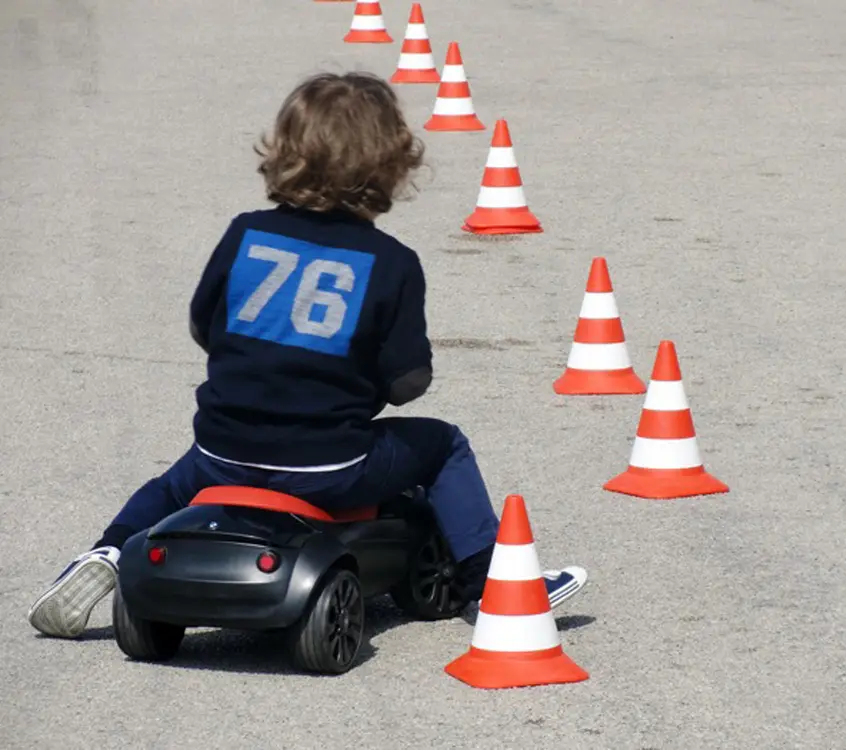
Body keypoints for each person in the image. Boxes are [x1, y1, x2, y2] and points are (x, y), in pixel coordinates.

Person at [28, 71, 587, 639]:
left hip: (223, 450)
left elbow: (204, 325)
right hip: (329, 466)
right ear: (392, 164)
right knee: (444, 445)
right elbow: (408, 381)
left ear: (284, 152)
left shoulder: (245, 233)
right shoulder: (390, 262)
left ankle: (106, 554)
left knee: (171, 486)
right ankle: (492, 584)